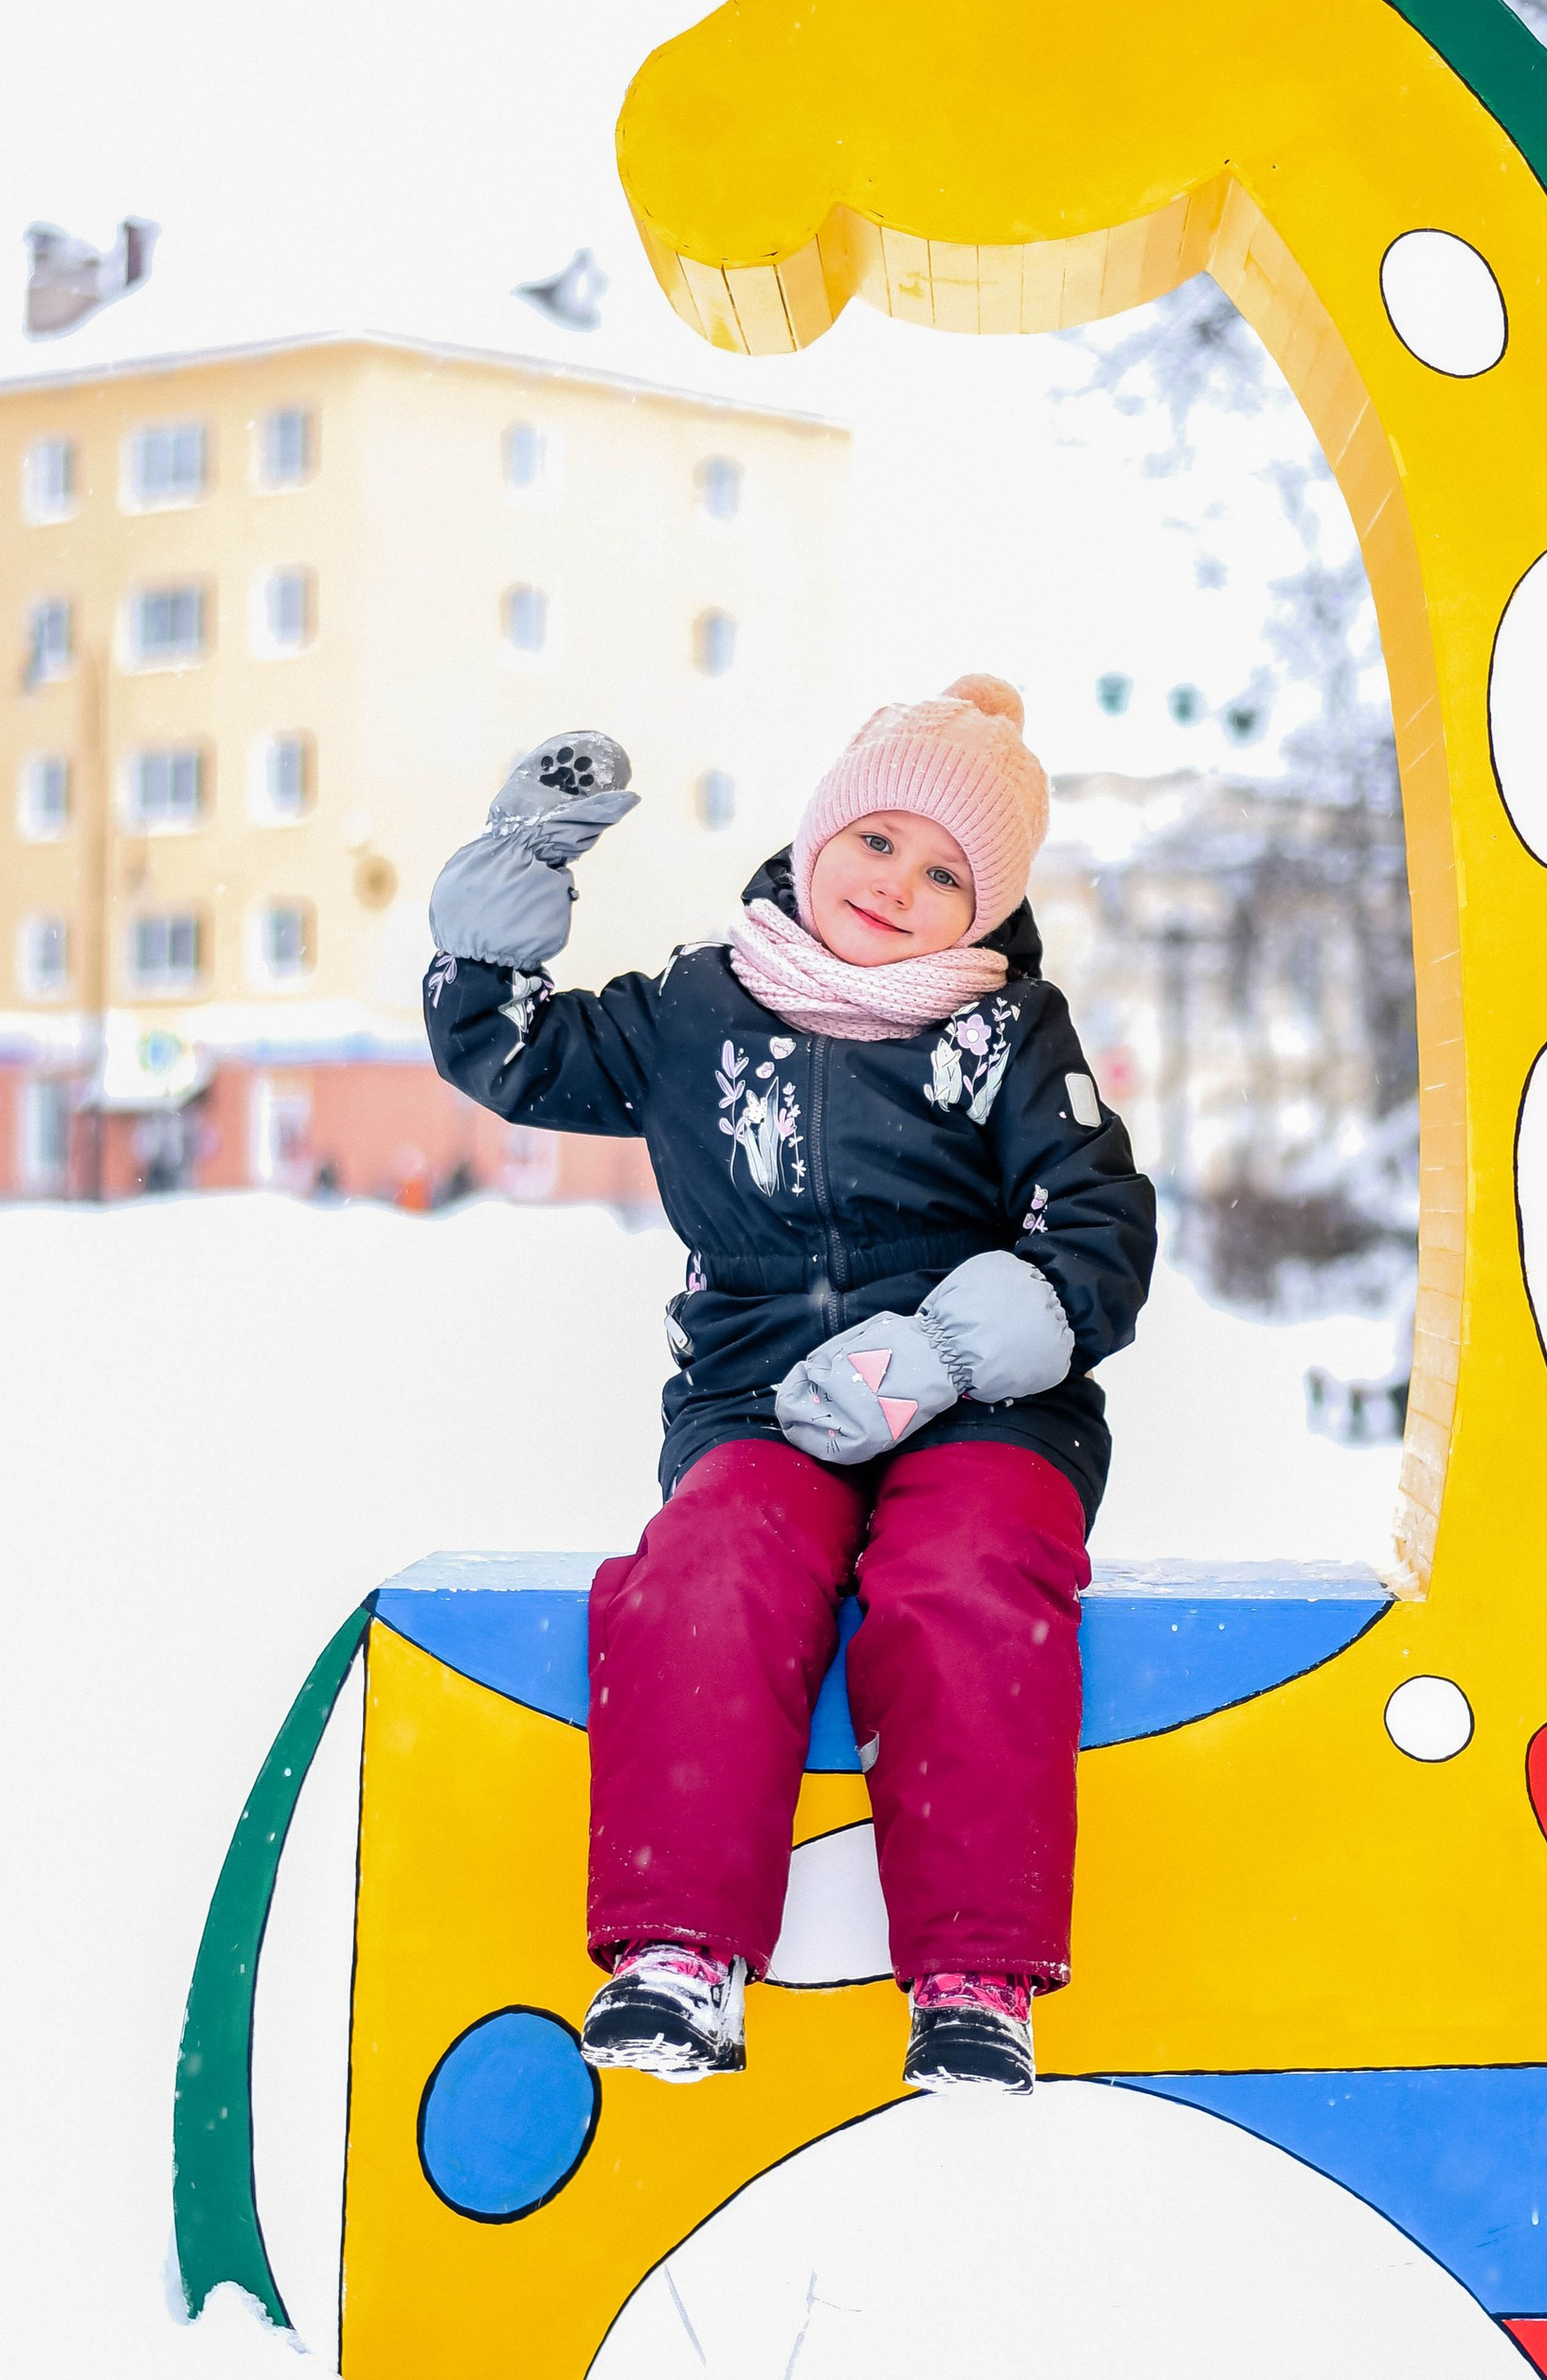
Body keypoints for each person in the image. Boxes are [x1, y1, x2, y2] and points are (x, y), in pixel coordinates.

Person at [423, 677, 1157, 2095]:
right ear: (817, 836)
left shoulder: (1008, 1037)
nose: (897, 886)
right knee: (711, 1568)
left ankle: (973, 1971)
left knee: (964, 1573)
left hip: (982, 1404)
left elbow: (1098, 1232)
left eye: (946, 874)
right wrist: (511, 888)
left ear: (987, 908)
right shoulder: (702, 1007)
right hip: (760, 1401)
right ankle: (679, 1953)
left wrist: (938, 1355)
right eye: (877, 841)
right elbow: (517, 1054)